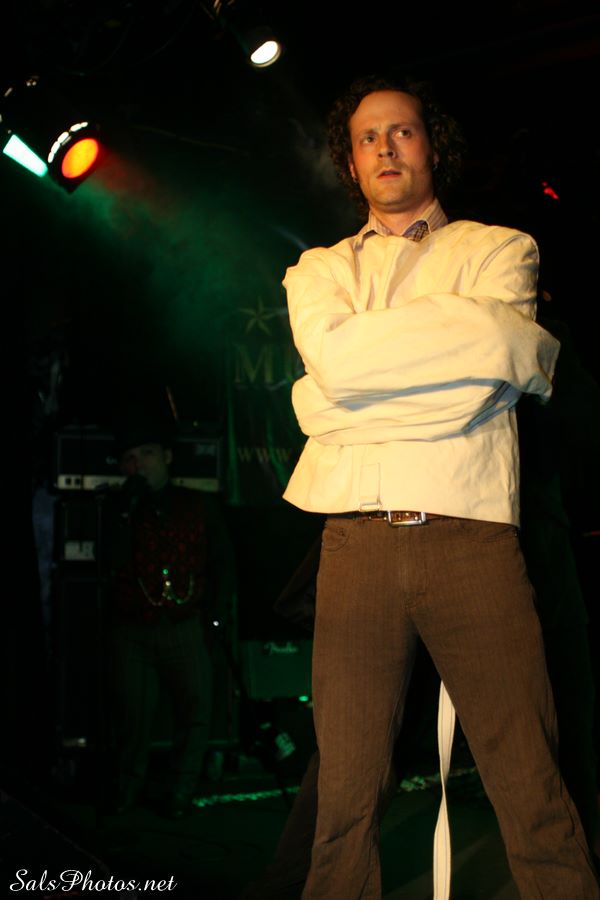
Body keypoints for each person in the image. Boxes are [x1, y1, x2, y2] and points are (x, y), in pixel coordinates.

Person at [279, 75, 599, 899]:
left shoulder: (502, 249)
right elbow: (334, 365)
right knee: (343, 801)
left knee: (530, 783)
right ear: (350, 163)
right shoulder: (316, 270)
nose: (385, 147)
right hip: (355, 541)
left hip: (471, 536)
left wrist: (350, 395)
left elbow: (475, 379)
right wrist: (457, 348)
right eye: (367, 137)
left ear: (433, 146)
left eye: (403, 131)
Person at [105, 423, 231, 818]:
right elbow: (108, 562)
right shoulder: (120, 509)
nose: (139, 464)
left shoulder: (197, 504)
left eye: (147, 454)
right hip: (134, 628)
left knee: (196, 710)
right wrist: (126, 510)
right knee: (133, 715)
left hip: (184, 624)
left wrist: (215, 614)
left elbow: (222, 562)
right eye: (130, 459)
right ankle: (127, 790)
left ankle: (180, 791)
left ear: (167, 457)